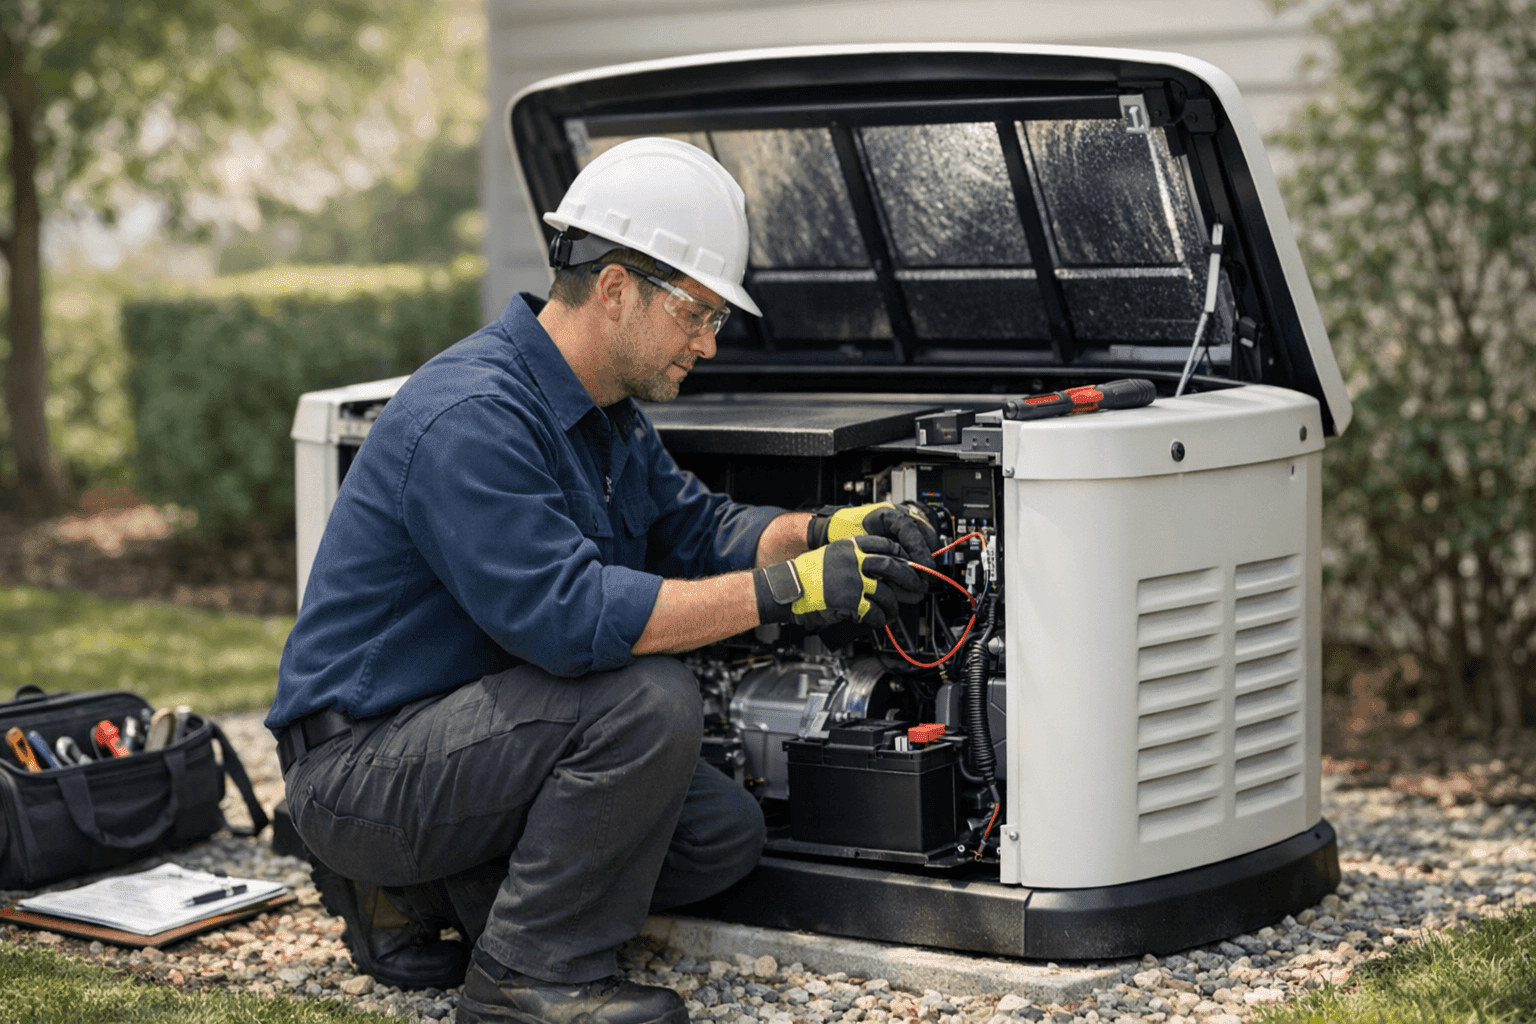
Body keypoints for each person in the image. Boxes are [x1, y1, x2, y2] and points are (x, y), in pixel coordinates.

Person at [267, 138, 938, 1024]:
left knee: (721, 837)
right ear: (616, 287)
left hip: (473, 746)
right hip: (363, 767)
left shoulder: (606, 416)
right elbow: (572, 621)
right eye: (696, 314)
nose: (706, 343)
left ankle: (416, 895)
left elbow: (697, 529)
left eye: (715, 323)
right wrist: (794, 590)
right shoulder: (472, 415)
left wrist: (822, 532)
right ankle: (528, 980)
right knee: (646, 700)